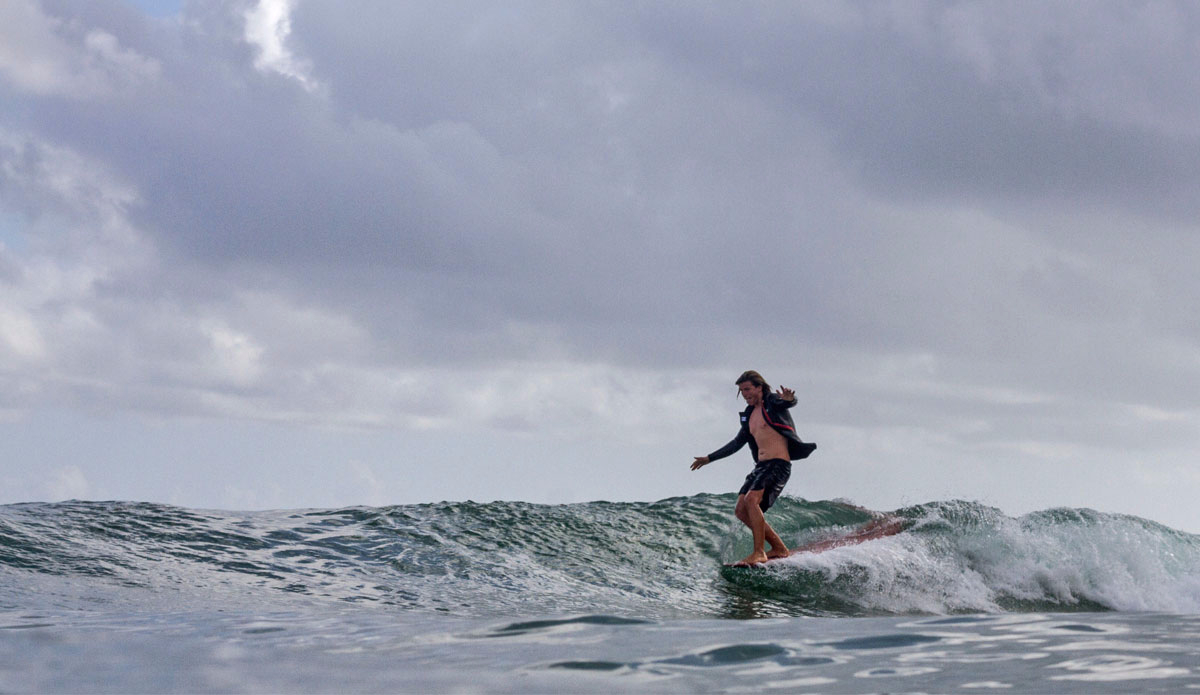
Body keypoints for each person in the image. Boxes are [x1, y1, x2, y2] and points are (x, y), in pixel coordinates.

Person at [691, 370, 817, 566]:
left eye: (748, 389)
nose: (745, 394)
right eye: (742, 391)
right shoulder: (749, 415)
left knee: (752, 500)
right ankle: (780, 548)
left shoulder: (772, 402)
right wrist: (709, 458)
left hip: (778, 464)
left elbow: (786, 402)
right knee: (741, 510)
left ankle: (759, 552)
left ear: (759, 387)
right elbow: (736, 443)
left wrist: (790, 399)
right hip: (761, 466)